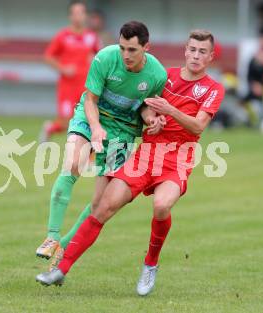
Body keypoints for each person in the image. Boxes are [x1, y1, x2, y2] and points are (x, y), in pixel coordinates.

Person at [36, 30, 225, 297]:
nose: (196, 56)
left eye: (202, 52)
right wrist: (153, 120)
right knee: (102, 207)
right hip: (146, 155)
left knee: (161, 205)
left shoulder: (214, 89)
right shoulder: (163, 77)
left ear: (210, 56)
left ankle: (150, 264)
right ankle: (60, 269)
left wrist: (169, 111)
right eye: (192, 49)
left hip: (177, 159)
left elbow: (198, 126)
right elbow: (144, 107)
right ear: (185, 50)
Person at [35, 21, 167, 271]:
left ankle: (62, 246)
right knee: (73, 162)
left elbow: (148, 105)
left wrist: (151, 118)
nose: (125, 55)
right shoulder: (105, 58)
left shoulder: (157, 75)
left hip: (123, 130)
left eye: (132, 50)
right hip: (91, 116)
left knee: (100, 203)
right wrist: (95, 127)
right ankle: (51, 235)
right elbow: (90, 100)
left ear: (146, 48)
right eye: (122, 48)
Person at [39, 1, 99, 141]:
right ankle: (49, 128)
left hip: (86, 85)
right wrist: (63, 68)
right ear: (70, 16)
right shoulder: (63, 36)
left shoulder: (92, 36)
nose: (78, 16)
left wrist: (94, 62)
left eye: (81, 13)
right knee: (65, 122)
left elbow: (100, 56)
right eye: (75, 13)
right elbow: (48, 56)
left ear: (85, 16)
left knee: (89, 119)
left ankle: (90, 157)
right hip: (67, 86)